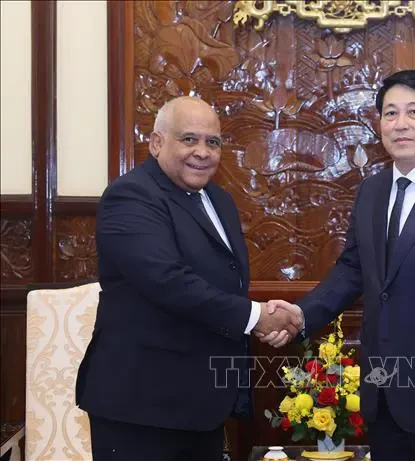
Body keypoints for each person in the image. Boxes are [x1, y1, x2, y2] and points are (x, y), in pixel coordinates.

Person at [264, 70, 415, 460]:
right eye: (390, 113)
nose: (401, 124)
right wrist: (299, 313)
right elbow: (352, 270)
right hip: (383, 394)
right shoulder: (372, 191)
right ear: (379, 123)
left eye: (414, 112)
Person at [76, 96, 303, 460]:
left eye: (212, 142)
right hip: (141, 407)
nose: (203, 151)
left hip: (201, 406)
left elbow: (224, 282)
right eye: (188, 139)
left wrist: (260, 314)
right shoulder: (131, 196)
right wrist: (258, 317)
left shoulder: (220, 200)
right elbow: (167, 280)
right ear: (156, 143)